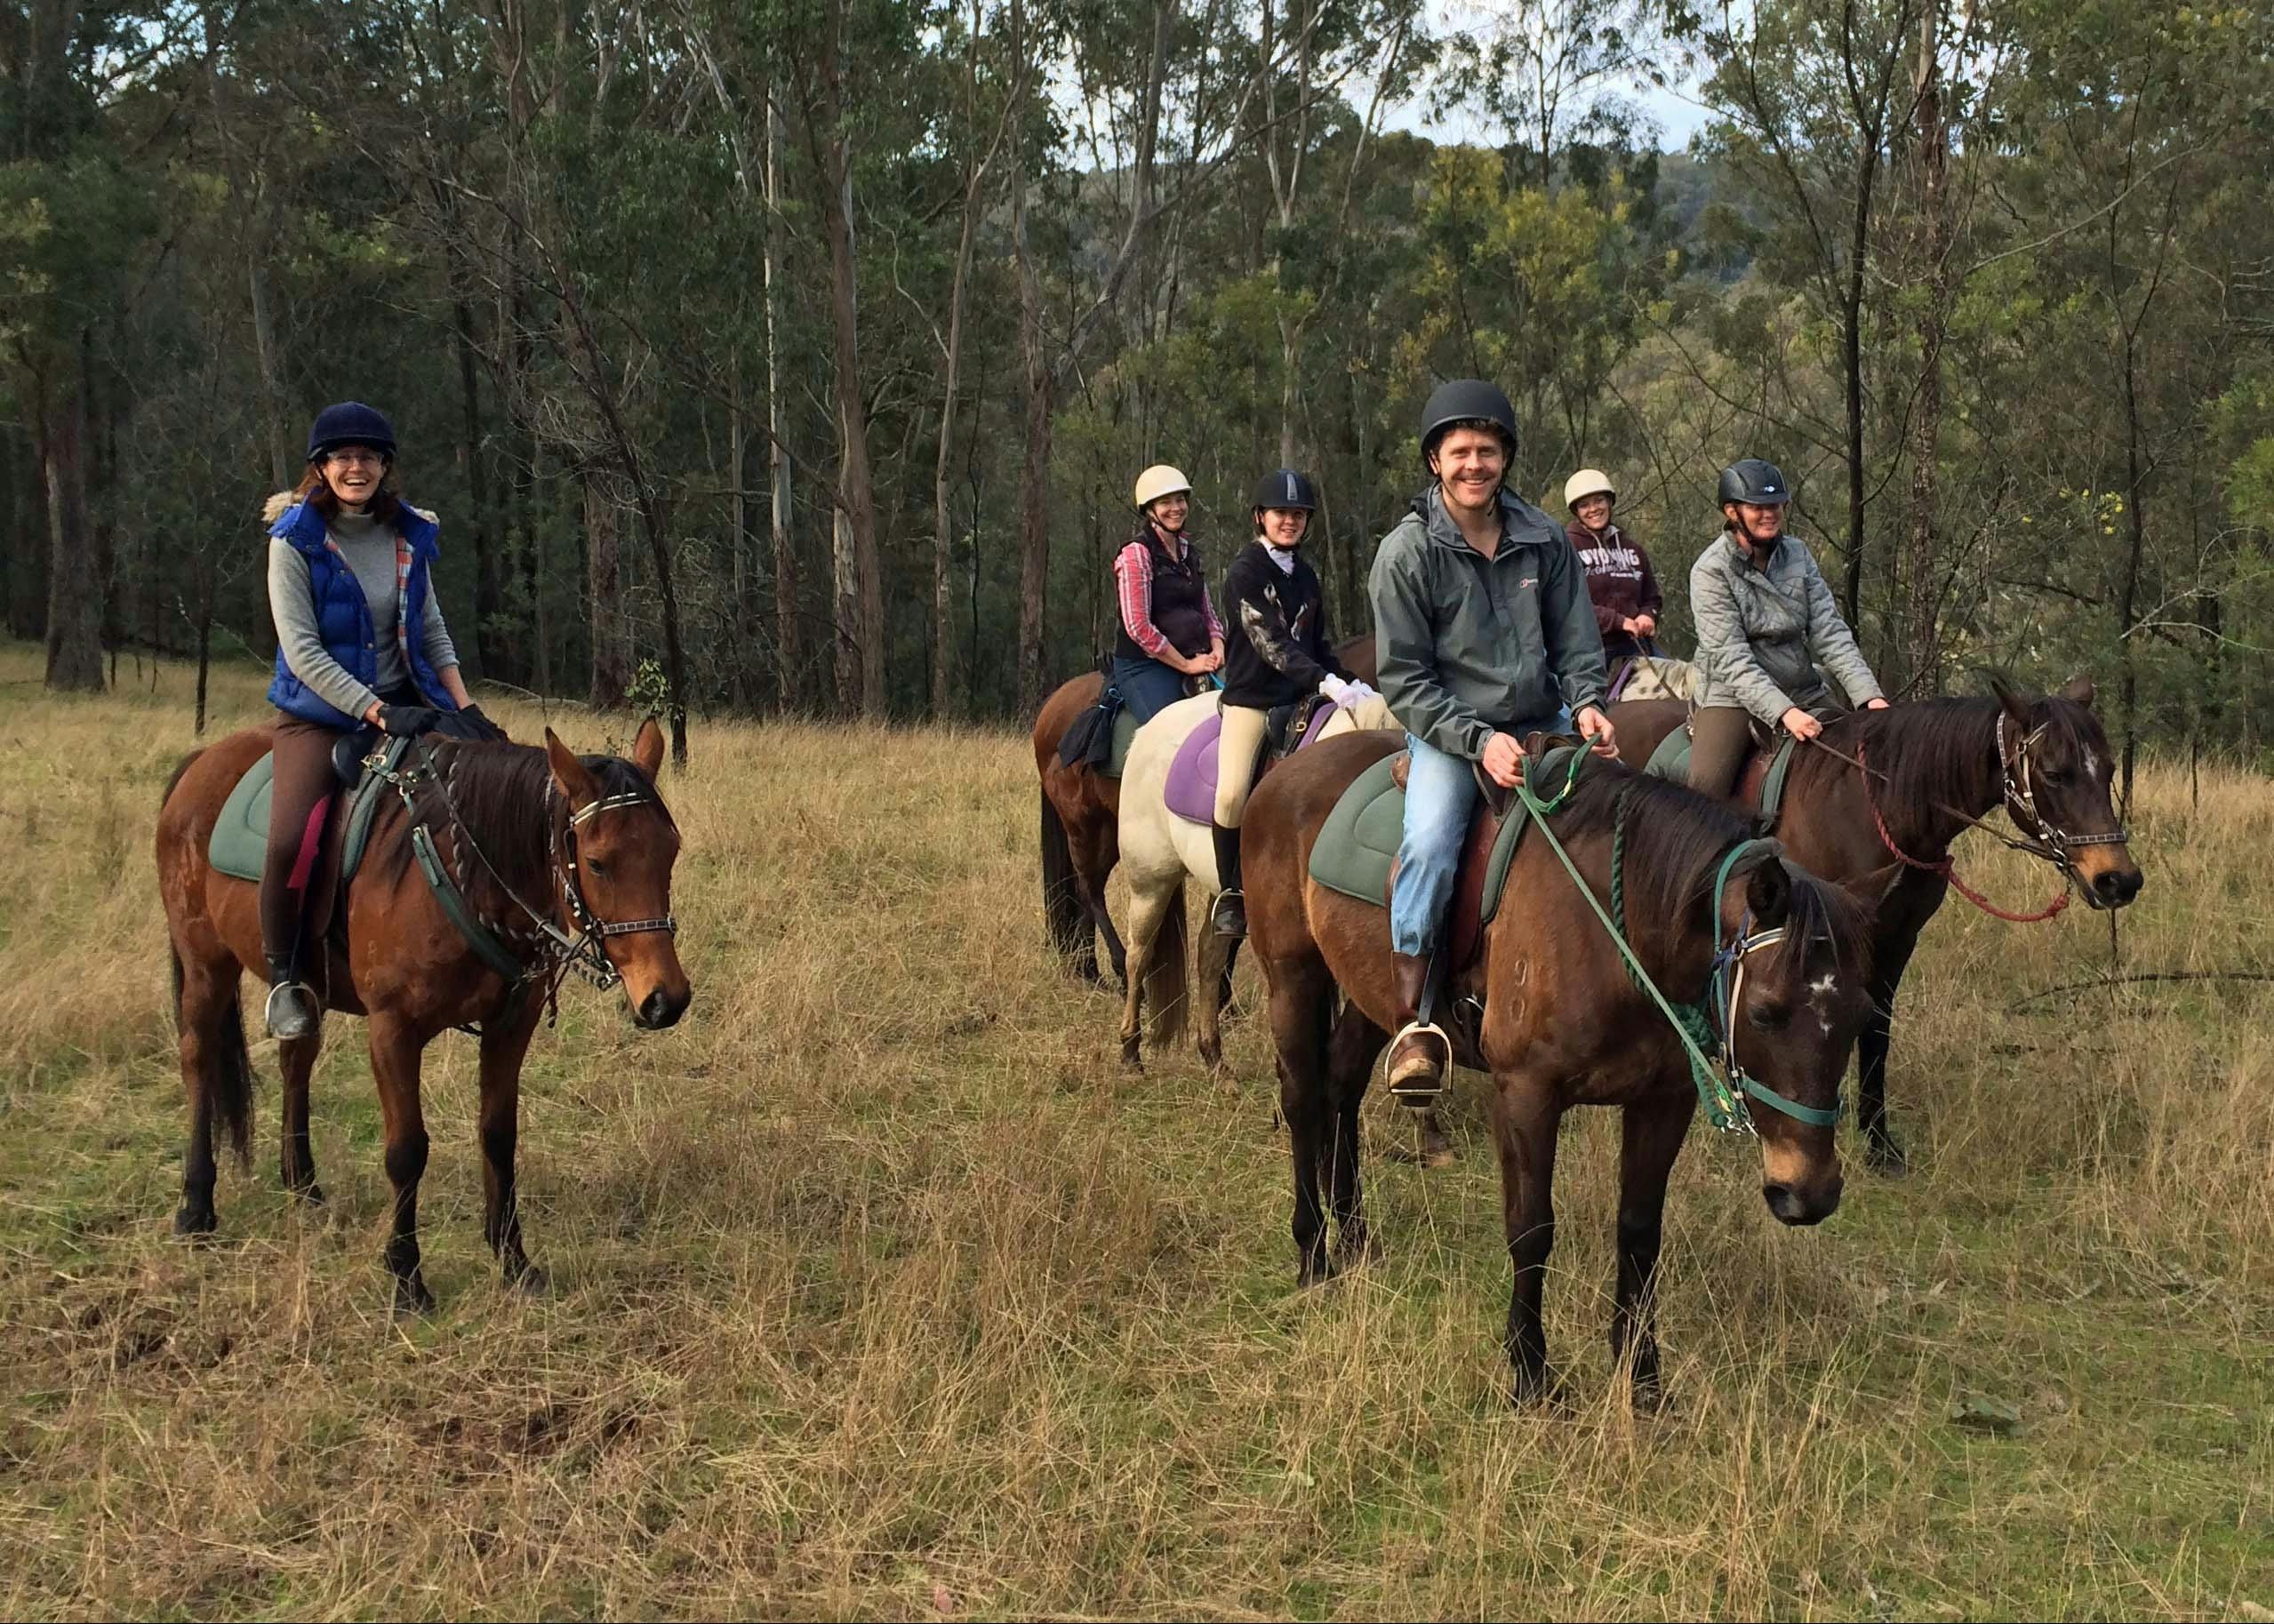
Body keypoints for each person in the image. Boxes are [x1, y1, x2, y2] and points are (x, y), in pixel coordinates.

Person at [1369, 381, 1617, 1102]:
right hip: (1449, 732)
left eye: (1487, 450)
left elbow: (1577, 642)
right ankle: (1415, 1021)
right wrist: (1478, 742)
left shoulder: (1544, 537)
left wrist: (1592, 704)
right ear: (1435, 461)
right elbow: (1406, 681)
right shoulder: (1406, 553)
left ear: (1505, 456)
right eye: (1460, 452)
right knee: (1432, 841)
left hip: (1545, 721)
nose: (1474, 464)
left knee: (1623, 821)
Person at [260, 402, 502, 1039]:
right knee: (292, 835)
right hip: (319, 715)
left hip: (412, 701)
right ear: (321, 466)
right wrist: (373, 709)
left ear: (385, 465)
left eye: (367, 456)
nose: (355, 467)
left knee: (488, 799)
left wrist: (465, 706)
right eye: (342, 456)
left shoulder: (408, 535)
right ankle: (286, 975)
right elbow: (303, 652)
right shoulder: (293, 542)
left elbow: (431, 629)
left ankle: (481, 953)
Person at [1210, 468, 1377, 938]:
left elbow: (1316, 644)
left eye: (1299, 515)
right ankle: (1232, 893)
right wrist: (1325, 681)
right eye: (1282, 513)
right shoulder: (1246, 571)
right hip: (1254, 699)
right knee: (1230, 795)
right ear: (1261, 517)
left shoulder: (1304, 574)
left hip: (1302, 697)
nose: (1291, 522)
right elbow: (1272, 645)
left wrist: (1350, 682)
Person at [1687, 458, 1889, 801]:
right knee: (1705, 798)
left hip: (1802, 686)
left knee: (1865, 763)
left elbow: (1830, 632)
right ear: (1732, 512)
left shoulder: (1798, 554)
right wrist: (1784, 713)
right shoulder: (1710, 571)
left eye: (1776, 504)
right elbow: (1732, 661)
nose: (1770, 514)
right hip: (1732, 695)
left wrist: (1869, 697)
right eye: (1758, 507)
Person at [1111, 464, 1227, 724]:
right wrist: (1186, 666)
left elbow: (1207, 613)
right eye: (1166, 502)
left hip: (1199, 657)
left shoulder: (1189, 552)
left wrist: (1218, 645)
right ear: (1150, 510)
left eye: (1180, 500)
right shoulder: (1136, 555)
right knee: (1171, 732)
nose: (1176, 508)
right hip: (1146, 666)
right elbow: (1138, 627)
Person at [1561, 468, 1663, 672]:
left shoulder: (1633, 549)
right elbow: (1568, 604)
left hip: (1635, 644)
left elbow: (1652, 597)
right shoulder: (1565, 549)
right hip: (1589, 648)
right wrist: (1618, 621)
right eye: (1584, 505)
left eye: (1599, 500)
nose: (1593, 509)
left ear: (1609, 502)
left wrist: (1647, 615)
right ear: (1576, 512)